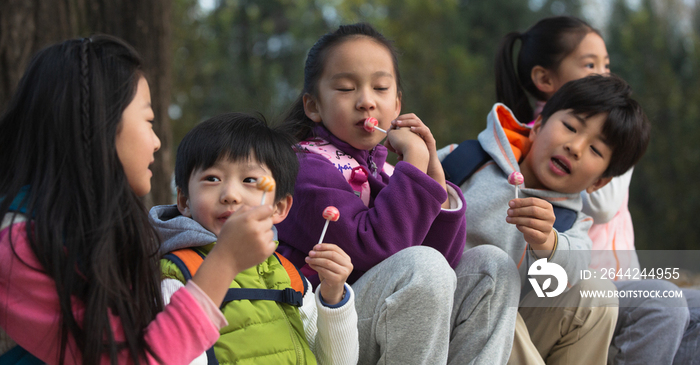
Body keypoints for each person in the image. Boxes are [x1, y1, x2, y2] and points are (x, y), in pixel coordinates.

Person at [0, 36, 279, 364]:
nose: (157, 142)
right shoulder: (16, 246)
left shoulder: (106, 226)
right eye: (148, 121)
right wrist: (225, 261)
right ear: (101, 125)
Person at [277, 22, 521, 364]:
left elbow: (444, 265)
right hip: (326, 328)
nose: (366, 102)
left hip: (383, 315)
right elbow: (371, 248)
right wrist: (415, 162)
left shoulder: (392, 172)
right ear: (313, 106)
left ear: (397, 104)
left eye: (380, 87)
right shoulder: (303, 165)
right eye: (346, 88)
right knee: (422, 267)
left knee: (492, 267)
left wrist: (433, 174)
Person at [493, 16, 697, 365]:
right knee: (664, 305)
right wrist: (614, 159)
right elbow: (600, 205)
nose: (604, 76)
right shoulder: (538, 138)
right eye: (590, 66)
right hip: (576, 285)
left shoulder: (595, 131)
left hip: (613, 278)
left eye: (606, 65)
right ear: (545, 79)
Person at [446, 74, 654, 364]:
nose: (576, 147)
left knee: (598, 297)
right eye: (570, 127)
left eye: (595, 149)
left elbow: (574, 265)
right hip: (442, 303)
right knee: (495, 290)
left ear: (598, 183)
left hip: (511, 332)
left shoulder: (571, 223)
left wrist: (549, 242)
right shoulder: (467, 161)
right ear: (539, 125)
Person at [150, 112, 358, 364]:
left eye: (249, 180)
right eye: (212, 178)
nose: (230, 195)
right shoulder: (177, 274)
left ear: (280, 207)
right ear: (184, 200)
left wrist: (333, 297)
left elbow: (336, 362)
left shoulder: (289, 275)